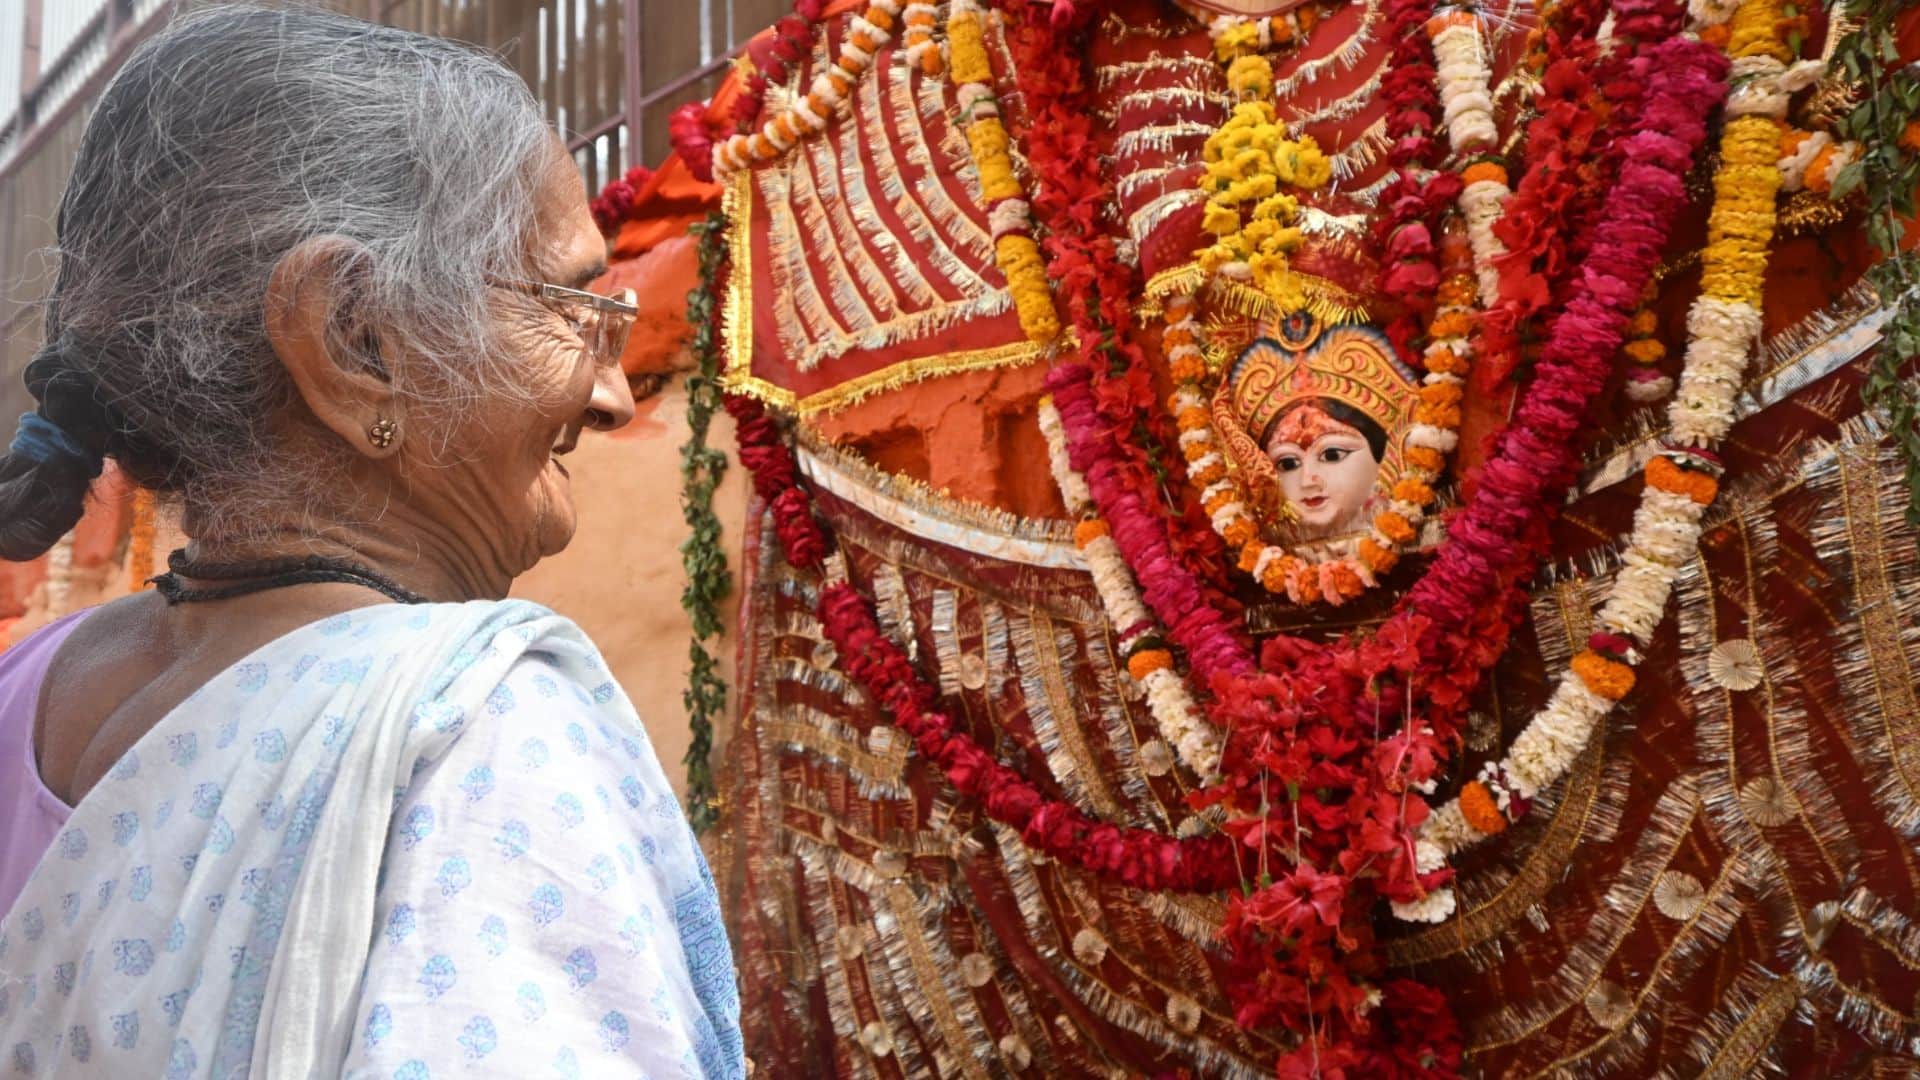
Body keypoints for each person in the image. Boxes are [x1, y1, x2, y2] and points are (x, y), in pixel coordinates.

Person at [0, 8, 743, 1077]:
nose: (615, 393)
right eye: (570, 305)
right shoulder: (466, 729)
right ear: (356, 340)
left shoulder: (25, 688)